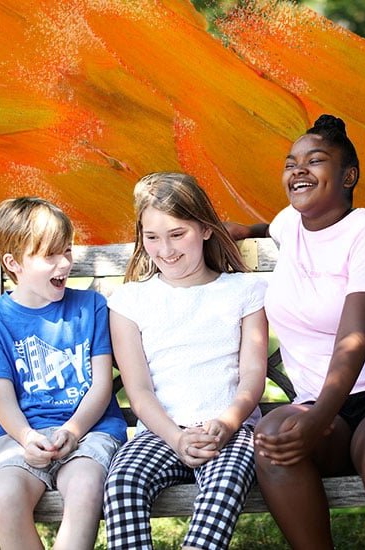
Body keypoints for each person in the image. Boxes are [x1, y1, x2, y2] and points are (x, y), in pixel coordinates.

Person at [227, 115, 365, 549]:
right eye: (291, 163)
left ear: (349, 175)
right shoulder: (289, 224)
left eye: (315, 160)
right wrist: (244, 231)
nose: (298, 171)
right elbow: (269, 228)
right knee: (272, 439)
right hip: (320, 406)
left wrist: (318, 419)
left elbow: (355, 340)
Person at [102, 172, 268, 550]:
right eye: (152, 237)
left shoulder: (242, 292)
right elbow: (139, 391)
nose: (166, 250)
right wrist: (175, 437)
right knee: (123, 481)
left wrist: (226, 424)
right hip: (160, 431)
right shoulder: (129, 301)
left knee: (224, 484)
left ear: (206, 229)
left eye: (178, 234)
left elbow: (252, 377)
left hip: (228, 430)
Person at [0, 197, 128, 550]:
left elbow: (102, 384)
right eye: (50, 255)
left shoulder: (91, 307)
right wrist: (27, 438)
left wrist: (72, 430)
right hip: (18, 438)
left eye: (68, 251)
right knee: (6, 493)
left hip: (90, 433)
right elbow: (3, 398)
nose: (65, 263)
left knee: (86, 487)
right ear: (14, 263)